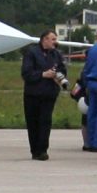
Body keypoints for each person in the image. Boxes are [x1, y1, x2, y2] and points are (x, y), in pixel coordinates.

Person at [20, 30, 66, 160]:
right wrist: (43, 74)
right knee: (33, 121)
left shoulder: (56, 54)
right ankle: (34, 150)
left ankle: (43, 150)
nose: (55, 42)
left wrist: (59, 76)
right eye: (52, 39)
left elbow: (62, 70)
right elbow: (26, 73)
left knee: (45, 121)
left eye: (55, 39)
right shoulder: (31, 53)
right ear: (44, 40)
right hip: (33, 94)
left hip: (49, 93)